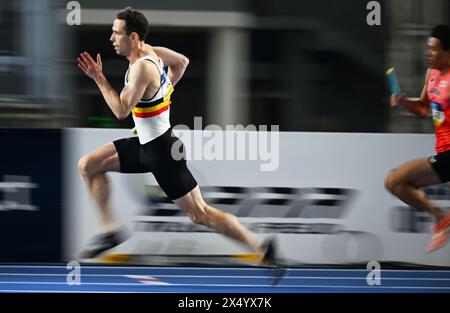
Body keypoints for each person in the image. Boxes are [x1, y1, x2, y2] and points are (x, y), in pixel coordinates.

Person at [76, 7, 279, 269]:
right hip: (144, 145)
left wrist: (99, 78)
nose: (111, 38)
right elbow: (181, 62)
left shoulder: (141, 69)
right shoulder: (154, 52)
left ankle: (260, 246)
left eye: (116, 33)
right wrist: (164, 92)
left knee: (200, 214)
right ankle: (110, 230)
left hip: (162, 152)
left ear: (133, 37)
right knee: (88, 165)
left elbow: (120, 110)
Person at [385, 25, 450, 252]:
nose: (427, 54)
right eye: (427, 49)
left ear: (447, 52)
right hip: (443, 153)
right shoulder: (431, 74)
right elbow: (423, 109)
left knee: (394, 181)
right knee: (393, 183)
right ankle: (440, 217)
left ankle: (441, 218)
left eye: (433, 50)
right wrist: (403, 101)